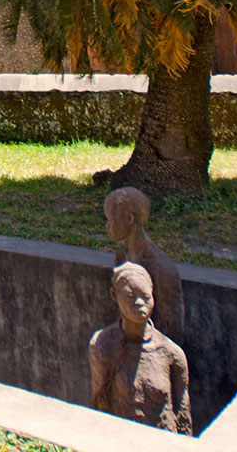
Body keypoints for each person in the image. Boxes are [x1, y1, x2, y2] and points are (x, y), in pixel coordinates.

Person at [88, 262, 192, 434]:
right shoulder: (102, 345)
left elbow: (183, 417)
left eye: (145, 297)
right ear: (115, 296)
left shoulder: (171, 353)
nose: (139, 303)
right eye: (130, 296)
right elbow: (99, 404)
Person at [103, 186, 185, 345]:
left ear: (130, 219)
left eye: (111, 220)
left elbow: (170, 328)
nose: (108, 226)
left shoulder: (160, 267)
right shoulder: (121, 258)